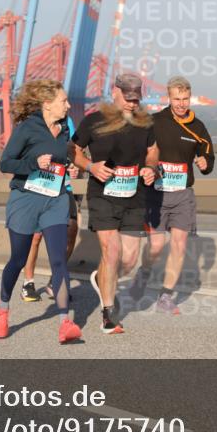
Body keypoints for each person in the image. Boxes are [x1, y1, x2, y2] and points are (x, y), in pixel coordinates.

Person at [0, 79, 82, 344]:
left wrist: (69, 167)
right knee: (18, 260)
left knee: (58, 260)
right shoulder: (27, 128)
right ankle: (2, 308)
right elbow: (5, 163)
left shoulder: (65, 128)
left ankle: (65, 322)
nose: (68, 105)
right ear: (47, 104)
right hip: (26, 198)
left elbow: (63, 157)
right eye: (63, 101)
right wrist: (33, 162)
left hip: (55, 199)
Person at [71, 73, 158, 334]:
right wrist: (90, 166)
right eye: (128, 98)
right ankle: (108, 313)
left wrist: (151, 167)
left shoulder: (145, 123)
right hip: (102, 195)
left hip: (134, 196)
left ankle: (101, 277)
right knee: (111, 252)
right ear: (115, 91)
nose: (132, 103)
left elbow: (152, 150)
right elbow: (73, 150)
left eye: (136, 99)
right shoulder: (94, 121)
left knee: (129, 259)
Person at [129, 76, 215, 314]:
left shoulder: (197, 127)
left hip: (183, 194)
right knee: (156, 245)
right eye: (176, 99)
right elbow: (140, 151)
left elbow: (209, 155)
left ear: (190, 98)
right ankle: (144, 273)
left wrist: (205, 163)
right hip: (156, 193)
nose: (181, 103)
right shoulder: (155, 122)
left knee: (179, 244)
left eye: (185, 99)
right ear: (169, 97)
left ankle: (165, 296)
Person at [19, 117, 81, 303]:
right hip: (38, 185)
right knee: (36, 237)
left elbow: (73, 149)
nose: (65, 104)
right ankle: (28, 282)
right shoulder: (32, 120)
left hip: (63, 186)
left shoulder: (68, 121)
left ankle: (55, 281)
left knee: (71, 231)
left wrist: (74, 165)